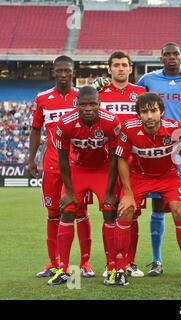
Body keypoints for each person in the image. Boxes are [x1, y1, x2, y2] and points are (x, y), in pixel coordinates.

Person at [115, 92, 181, 287]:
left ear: (161, 112)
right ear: (138, 115)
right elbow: (121, 159)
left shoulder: (174, 127)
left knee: (180, 210)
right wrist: (128, 193)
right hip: (139, 177)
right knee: (125, 211)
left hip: (168, 176)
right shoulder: (128, 129)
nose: (149, 116)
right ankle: (119, 270)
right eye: (144, 112)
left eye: (153, 111)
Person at [136, 43, 181, 276]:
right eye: (167, 54)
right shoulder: (147, 80)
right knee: (156, 204)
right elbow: (133, 101)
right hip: (158, 149)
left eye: (175, 54)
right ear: (161, 57)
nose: (172, 57)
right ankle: (156, 260)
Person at [48, 86, 123, 286]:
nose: (88, 108)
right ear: (76, 105)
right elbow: (63, 160)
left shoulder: (111, 122)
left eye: (93, 104)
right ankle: (63, 269)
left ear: (100, 104)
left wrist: (109, 192)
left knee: (109, 210)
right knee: (68, 210)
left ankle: (112, 266)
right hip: (78, 169)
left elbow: (116, 157)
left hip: (103, 169)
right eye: (83, 104)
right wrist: (70, 191)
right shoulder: (65, 123)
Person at [29, 56, 94, 279]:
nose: (64, 74)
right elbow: (36, 129)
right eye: (60, 70)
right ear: (53, 72)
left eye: (68, 70)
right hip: (51, 165)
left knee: (80, 211)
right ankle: (53, 263)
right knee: (53, 213)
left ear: (74, 72)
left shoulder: (83, 97)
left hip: (78, 166)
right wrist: (31, 159)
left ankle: (85, 263)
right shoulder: (42, 98)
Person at [97, 51, 147, 278]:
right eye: (115, 65)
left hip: (134, 160)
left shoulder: (140, 93)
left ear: (130, 68)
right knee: (108, 211)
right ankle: (110, 264)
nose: (120, 68)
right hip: (106, 160)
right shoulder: (100, 94)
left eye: (124, 65)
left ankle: (129, 262)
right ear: (109, 69)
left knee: (131, 212)